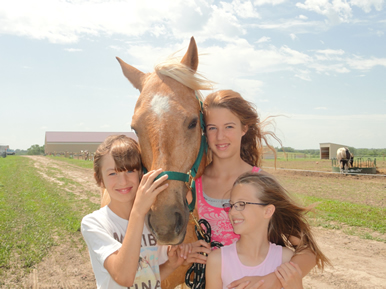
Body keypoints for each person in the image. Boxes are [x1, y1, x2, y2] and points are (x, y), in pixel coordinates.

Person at [190, 90, 318, 288]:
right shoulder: (193, 184)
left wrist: (272, 280)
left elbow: (308, 250)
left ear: (244, 128)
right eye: (212, 128)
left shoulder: (260, 182)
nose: (220, 136)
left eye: (229, 126)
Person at [81, 135, 196, 289]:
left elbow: (146, 278)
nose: (123, 181)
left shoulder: (152, 222)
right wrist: (138, 212)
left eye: (130, 171)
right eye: (112, 173)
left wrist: (171, 265)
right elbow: (124, 277)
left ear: (141, 174)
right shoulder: (94, 224)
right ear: (100, 179)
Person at [205, 172, 330, 289]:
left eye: (241, 204)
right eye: (231, 205)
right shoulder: (218, 260)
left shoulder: (286, 259)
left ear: (268, 211)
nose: (232, 212)